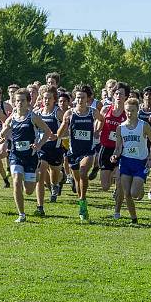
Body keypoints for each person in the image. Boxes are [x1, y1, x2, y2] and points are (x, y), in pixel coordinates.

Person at [0, 88, 54, 222]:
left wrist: (39, 145)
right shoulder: (12, 118)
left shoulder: (33, 117)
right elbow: (2, 133)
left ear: (28, 101)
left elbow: (47, 131)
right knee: (16, 181)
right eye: (17, 101)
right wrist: (1, 140)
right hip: (15, 155)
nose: (20, 103)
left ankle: (36, 176)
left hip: (31, 157)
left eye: (22, 100)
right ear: (14, 102)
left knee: (28, 190)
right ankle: (21, 215)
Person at [56, 84, 105, 221]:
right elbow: (60, 134)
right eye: (78, 97)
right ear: (74, 98)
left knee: (83, 172)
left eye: (83, 97)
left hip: (88, 151)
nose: (80, 100)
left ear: (87, 99)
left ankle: (83, 200)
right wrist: (64, 124)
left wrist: (97, 131)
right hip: (73, 152)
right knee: (77, 180)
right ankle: (81, 202)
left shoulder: (92, 112)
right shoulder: (69, 113)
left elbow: (102, 120)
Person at [111, 97, 151, 223]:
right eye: (127, 110)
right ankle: (134, 219)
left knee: (134, 193)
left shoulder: (144, 126)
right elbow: (118, 147)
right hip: (126, 162)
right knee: (127, 193)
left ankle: (141, 187)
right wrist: (115, 155)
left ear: (138, 110)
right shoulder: (121, 127)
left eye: (132, 110)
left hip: (140, 162)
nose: (129, 113)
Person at [95, 82, 129, 195]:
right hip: (105, 149)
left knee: (119, 177)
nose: (119, 96)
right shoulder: (105, 110)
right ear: (113, 95)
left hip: (121, 150)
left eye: (122, 94)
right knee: (105, 186)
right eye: (117, 93)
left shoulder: (128, 114)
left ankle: (117, 179)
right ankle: (114, 175)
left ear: (126, 97)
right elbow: (99, 125)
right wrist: (95, 131)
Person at [36, 86, 64, 206]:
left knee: (54, 173)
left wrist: (58, 135)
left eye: (49, 98)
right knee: (42, 170)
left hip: (56, 149)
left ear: (54, 99)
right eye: (44, 98)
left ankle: (55, 185)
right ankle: (41, 201)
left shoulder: (58, 112)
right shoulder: (38, 113)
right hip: (42, 148)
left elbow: (67, 128)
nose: (46, 100)